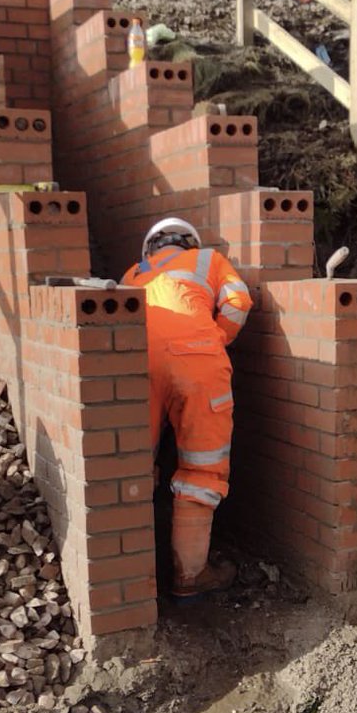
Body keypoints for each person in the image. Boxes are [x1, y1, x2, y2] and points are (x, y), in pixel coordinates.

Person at [122, 217, 252, 600]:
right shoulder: (208, 259)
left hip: (137, 365)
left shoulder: (132, 273)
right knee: (203, 467)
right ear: (189, 242)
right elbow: (237, 301)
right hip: (198, 360)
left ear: (149, 249)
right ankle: (190, 576)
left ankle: (132, 576)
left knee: (134, 464)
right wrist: (214, 341)